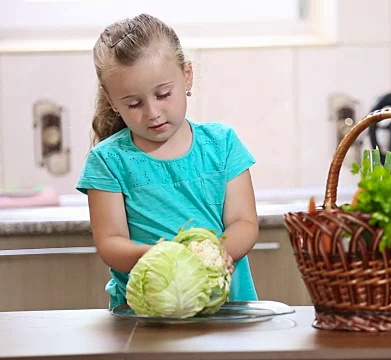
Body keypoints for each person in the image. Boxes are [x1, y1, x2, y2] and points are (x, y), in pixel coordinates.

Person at [76, 13, 259, 309]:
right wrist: (164, 260)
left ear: (187, 76)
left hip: (226, 307)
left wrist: (216, 255)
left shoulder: (222, 144)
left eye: (163, 94)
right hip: (142, 312)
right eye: (134, 103)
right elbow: (111, 242)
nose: (153, 112)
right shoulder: (108, 160)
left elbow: (244, 222)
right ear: (112, 100)